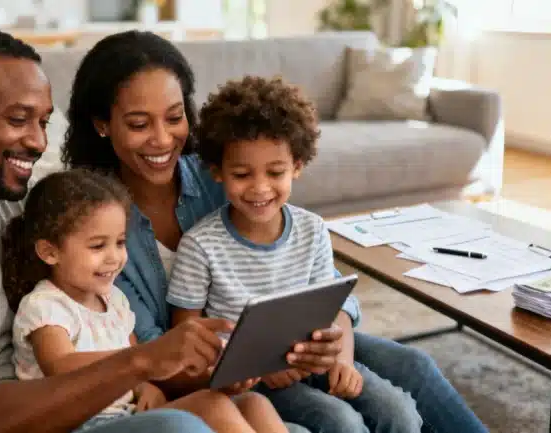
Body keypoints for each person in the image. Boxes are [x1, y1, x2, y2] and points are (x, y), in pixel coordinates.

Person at [0, 28, 336, 433]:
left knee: (258, 408)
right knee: (187, 425)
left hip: (111, 398)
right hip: (46, 420)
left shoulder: (22, 203)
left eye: (43, 121)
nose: (39, 142)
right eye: (19, 120)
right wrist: (142, 363)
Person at [61, 29, 489, 433]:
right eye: (139, 124)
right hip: (220, 374)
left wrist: (334, 337)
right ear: (102, 124)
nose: (162, 139)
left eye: (174, 118)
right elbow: (154, 353)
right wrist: (247, 367)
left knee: (413, 367)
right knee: (335, 418)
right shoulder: (96, 226)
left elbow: (318, 278)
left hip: (297, 345)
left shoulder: (223, 173)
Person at [166, 75, 422, 433]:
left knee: (399, 411)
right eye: (241, 173)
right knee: (341, 422)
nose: (259, 188)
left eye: (275, 172)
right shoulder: (200, 245)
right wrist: (256, 366)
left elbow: (331, 310)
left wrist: (343, 360)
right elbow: (187, 338)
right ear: (217, 172)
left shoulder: (312, 229)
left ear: (297, 166)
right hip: (256, 382)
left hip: (316, 361)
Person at [2, 168, 289, 433]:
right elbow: (60, 367)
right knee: (208, 405)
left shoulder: (113, 299)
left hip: (124, 415)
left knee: (253, 403)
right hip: (78, 424)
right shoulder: (44, 305)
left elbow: (135, 359)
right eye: (98, 245)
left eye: (120, 242)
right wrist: (146, 362)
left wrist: (145, 386)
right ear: (50, 252)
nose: (114, 257)